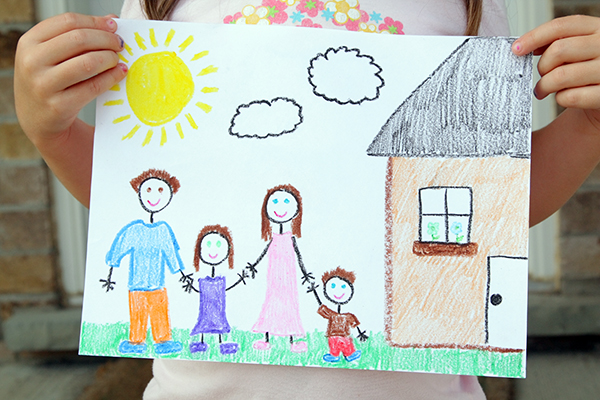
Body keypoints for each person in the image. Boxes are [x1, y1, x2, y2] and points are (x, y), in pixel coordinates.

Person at [13, 0, 600, 398]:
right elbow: (137, 191)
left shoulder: (461, 3)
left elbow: (495, 195)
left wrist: (589, 123)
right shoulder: (163, 4)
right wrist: (51, 131)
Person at [104, 168, 187, 355]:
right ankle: (136, 342)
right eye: (148, 190)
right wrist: (111, 272)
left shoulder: (164, 230)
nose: (154, 196)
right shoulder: (133, 230)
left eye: (160, 191)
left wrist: (181, 274)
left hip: (158, 285)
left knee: (160, 313)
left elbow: (171, 254)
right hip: (137, 285)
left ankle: (164, 340)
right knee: (138, 314)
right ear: (139, 193)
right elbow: (118, 249)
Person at [246, 184, 314, 353]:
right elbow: (262, 254)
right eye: (275, 201)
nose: (280, 207)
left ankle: (293, 340)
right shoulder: (273, 238)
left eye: (286, 202)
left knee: (289, 305)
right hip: (274, 282)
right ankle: (266, 338)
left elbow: (299, 258)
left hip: (288, 283)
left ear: (296, 209)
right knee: (272, 304)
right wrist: (253, 266)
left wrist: (306, 274)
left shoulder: (291, 239)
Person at [186, 224, 249, 355]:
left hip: (218, 312)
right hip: (205, 312)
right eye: (208, 244)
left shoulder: (222, 281)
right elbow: (197, 290)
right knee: (203, 324)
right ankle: (200, 342)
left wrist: (240, 279)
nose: (213, 250)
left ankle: (222, 343)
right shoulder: (202, 281)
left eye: (219, 245)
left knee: (220, 326)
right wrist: (188, 282)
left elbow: (229, 287)